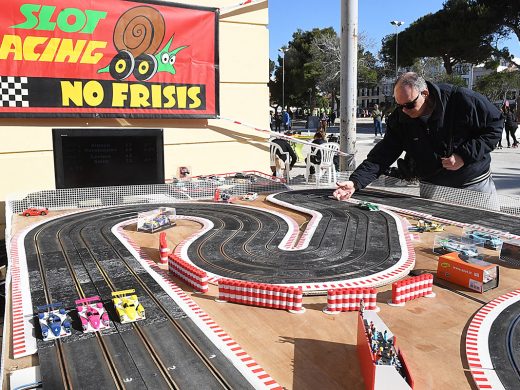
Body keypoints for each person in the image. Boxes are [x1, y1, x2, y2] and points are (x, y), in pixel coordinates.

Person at [333, 72, 503, 204]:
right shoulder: (400, 118)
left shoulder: (462, 100)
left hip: (474, 185)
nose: (404, 111)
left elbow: (495, 127)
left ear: (425, 94)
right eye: (399, 106)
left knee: (488, 244)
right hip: (431, 189)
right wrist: (355, 182)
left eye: (409, 105)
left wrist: (464, 156)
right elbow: (382, 155)